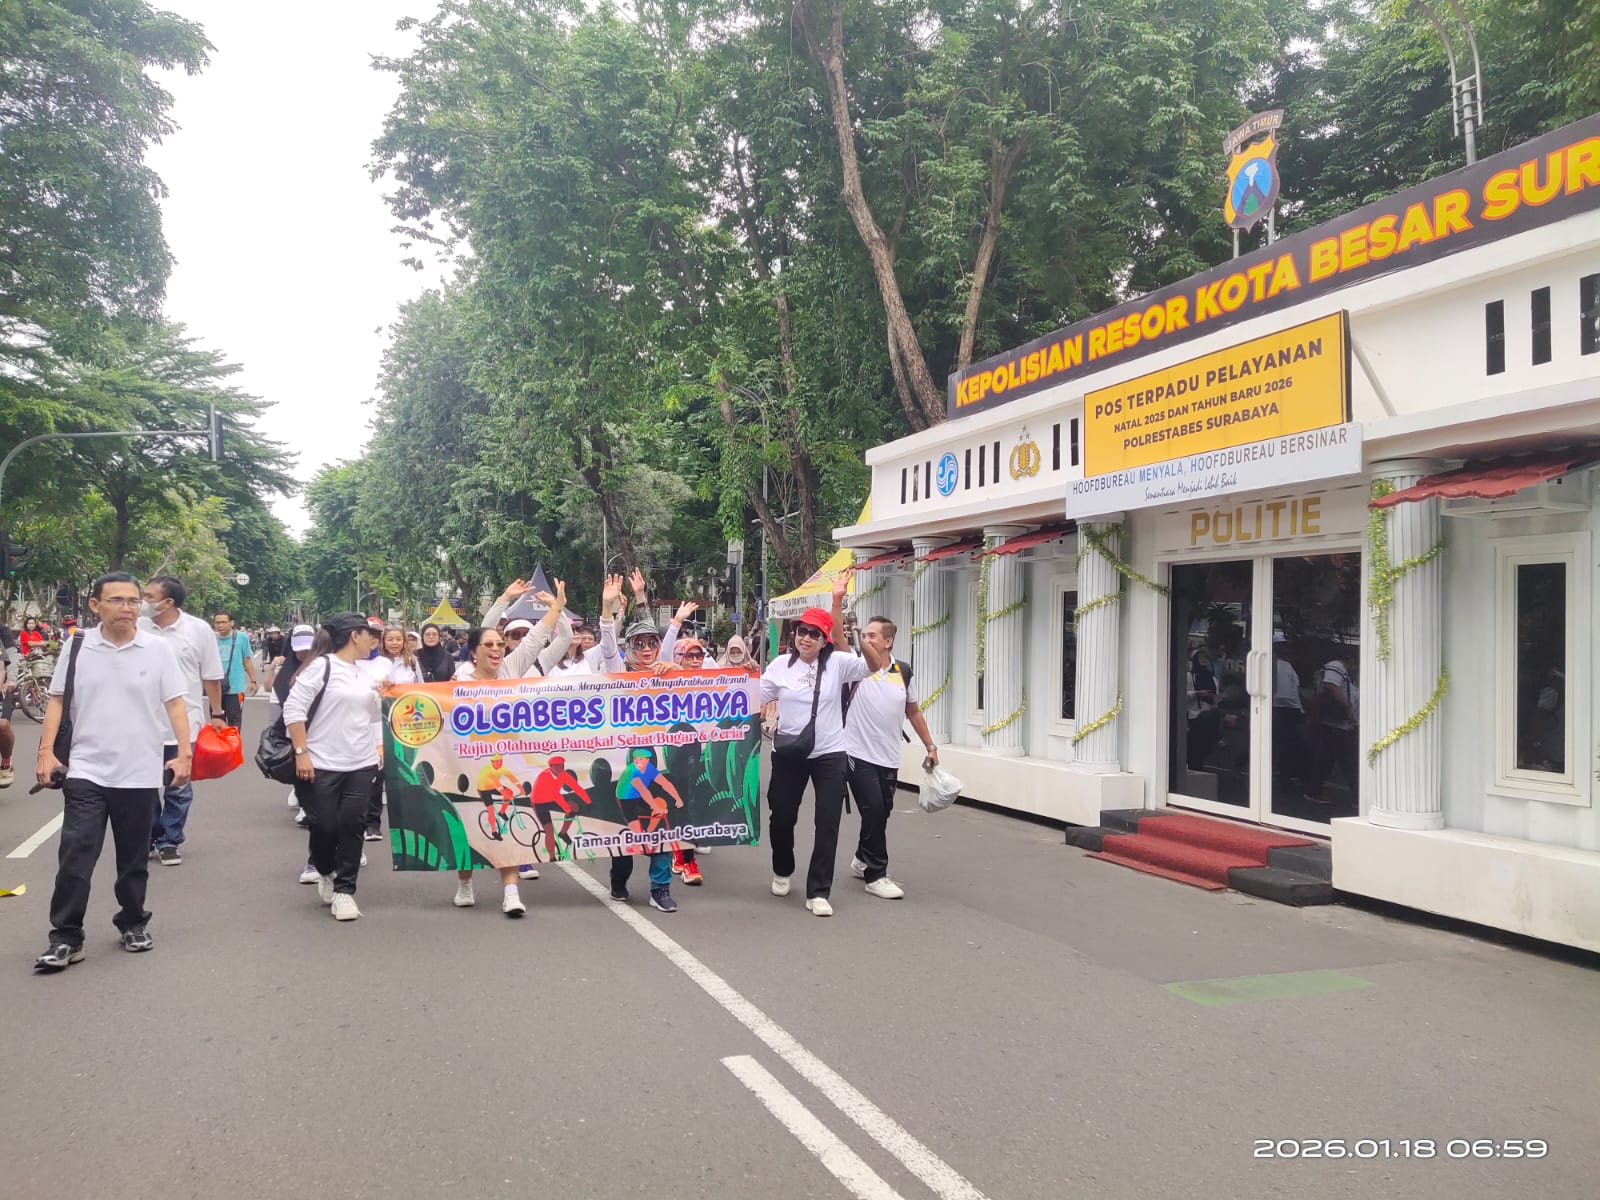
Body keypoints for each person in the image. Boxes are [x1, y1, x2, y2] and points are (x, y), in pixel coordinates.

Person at [33, 572, 190, 971]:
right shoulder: (78, 645)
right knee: (75, 856)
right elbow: (56, 701)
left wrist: (183, 755)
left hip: (139, 771)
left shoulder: (156, 649)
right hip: (86, 769)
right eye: (117, 600)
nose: (127, 608)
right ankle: (66, 936)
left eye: (134, 601)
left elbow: (175, 704)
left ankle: (133, 921)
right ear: (95, 605)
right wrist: (46, 753)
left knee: (133, 859)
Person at [759, 578, 869, 917]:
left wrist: (836, 605)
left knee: (828, 822)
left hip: (830, 754)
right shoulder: (779, 666)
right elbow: (748, 700)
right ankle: (782, 867)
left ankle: (819, 891)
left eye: (814, 633)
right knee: (781, 817)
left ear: (825, 641)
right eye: (801, 631)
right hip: (790, 753)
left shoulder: (839, 663)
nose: (806, 637)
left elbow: (872, 664)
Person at [284, 613, 383, 922]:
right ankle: (325, 870)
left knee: (353, 826)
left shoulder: (365, 674)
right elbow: (293, 709)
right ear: (355, 635)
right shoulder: (322, 667)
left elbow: (374, 716)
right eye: (370, 635)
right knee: (324, 826)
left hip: (361, 763)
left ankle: (345, 891)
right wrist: (302, 753)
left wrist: (379, 744)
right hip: (322, 762)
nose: (373, 641)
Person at [844, 616, 936, 900]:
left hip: (888, 755)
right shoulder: (857, 667)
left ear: (888, 641)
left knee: (882, 809)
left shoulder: (902, 671)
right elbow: (838, 638)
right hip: (856, 751)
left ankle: (862, 857)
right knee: (872, 808)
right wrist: (838, 606)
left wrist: (930, 746)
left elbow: (913, 711)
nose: (867, 639)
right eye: (865, 635)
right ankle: (876, 874)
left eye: (873, 635)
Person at [141, 575, 226, 866]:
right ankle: (150, 835)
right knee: (145, 784)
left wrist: (216, 713)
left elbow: (211, 675)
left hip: (184, 722)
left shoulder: (198, 630)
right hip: (142, 723)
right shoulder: (137, 626)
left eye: (148, 597)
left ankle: (169, 840)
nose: (142, 601)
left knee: (178, 785)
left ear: (168, 602)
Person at [213, 610, 258, 728]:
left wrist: (253, 681)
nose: (220, 625)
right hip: (215, 690)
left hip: (235, 689)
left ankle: (234, 746)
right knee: (217, 724)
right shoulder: (211, 638)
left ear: (231, 623)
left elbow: (247, 661)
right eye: (217, 623)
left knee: (234, 724)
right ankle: (219, 747)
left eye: (223, 622)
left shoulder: (242, 638)